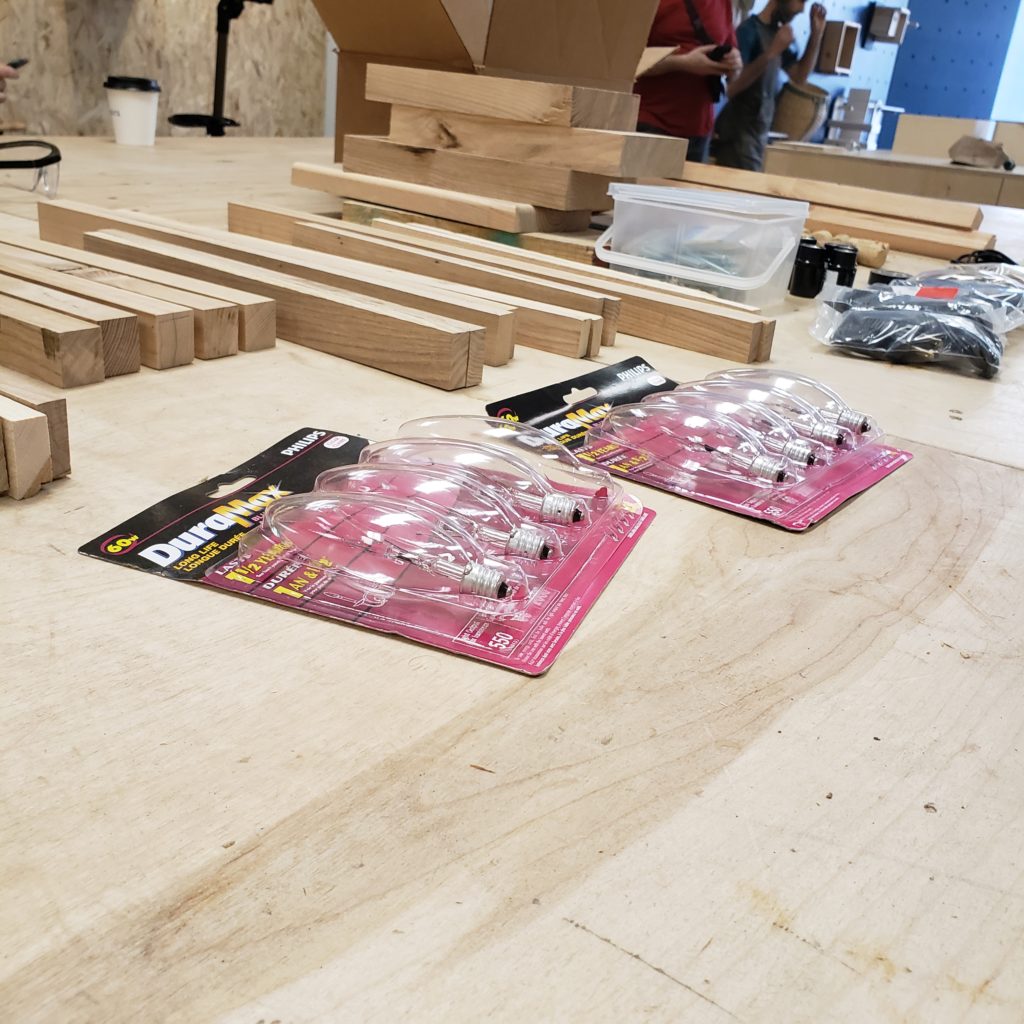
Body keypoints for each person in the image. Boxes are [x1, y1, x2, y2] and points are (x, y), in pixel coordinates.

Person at [712, 0, 827, 170]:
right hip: (736, 141)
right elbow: (730, 88)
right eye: (800, 1)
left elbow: (799, 77)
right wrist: (771, 53)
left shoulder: (777, 35)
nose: (802, 9)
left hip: (758, 140)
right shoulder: (748, 31)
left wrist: (816, 36)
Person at [635, 0, 742, 163]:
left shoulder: (723, 3)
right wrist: (682, 63)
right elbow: (625, 60)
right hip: (651, 122)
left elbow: (733, 57)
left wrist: (733, 64)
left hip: (699, 130)